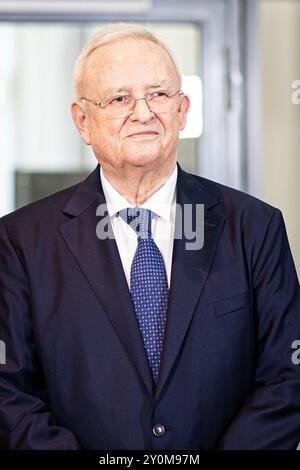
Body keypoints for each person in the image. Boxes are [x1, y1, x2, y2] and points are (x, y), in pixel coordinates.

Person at [0, 22, 299, 451]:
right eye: (119, 98)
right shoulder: (20, 241)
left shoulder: (255, 228)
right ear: (83, 120)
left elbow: (287, 377)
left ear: (182, 109)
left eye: (159, 94)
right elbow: (9, 393)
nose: (143, 113)